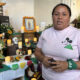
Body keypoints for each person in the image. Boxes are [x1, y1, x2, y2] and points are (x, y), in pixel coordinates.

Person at [34, 3, 80, 80]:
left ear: (69, 18)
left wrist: (68, 65)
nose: (60, 17)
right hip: (46, 77)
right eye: (56, 14)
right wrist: (42, 59)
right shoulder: (45, 33)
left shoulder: (77, 34)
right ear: (52, 17)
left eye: (64, 14)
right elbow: (37, 52)